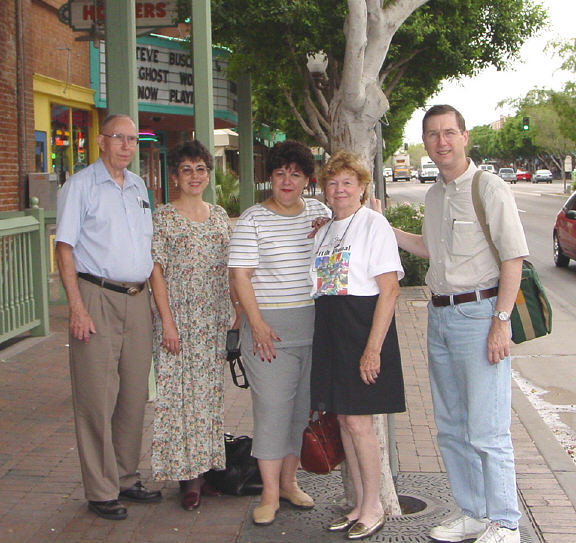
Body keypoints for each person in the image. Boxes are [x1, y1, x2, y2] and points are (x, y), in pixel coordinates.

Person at [393, 104, 528, 543]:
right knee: (451, 425)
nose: (441, 142)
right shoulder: (435, 194)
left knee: (488, 428)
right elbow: (430, 248)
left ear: (464, 137)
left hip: (480, 315)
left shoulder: (488, 188)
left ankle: (505, 521)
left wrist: (501, 321)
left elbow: (513, 257)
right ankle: (473, 512)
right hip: (440, 316)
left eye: (449, 132)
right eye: (432, 134)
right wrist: (381, 226)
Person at [55, 114, 161, 521]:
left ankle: (125, 475)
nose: (127, 146)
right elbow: (64, 248)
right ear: (102, 141)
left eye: (133, 140)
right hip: (95, 297)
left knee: (134, 394)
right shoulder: (80, 186)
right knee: (96, 397)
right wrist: (76, 307)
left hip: (137, 299)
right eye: (119, 138)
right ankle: (100, 490)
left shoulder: (137, 187)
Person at [228, 140, 331, 526]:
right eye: (280, 172)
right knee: (271, 411)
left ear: (307, 179)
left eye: (296, 173)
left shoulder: (320, 212)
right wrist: (256, 325)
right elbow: (240, 276)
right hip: (268, 330)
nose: (287, 180)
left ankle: (289, 483)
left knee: (300, 413)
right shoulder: (253, 219)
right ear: (269, 176)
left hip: (314, 326)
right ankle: (268, 494)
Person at [310, 151, 406, 541]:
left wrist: (373, 349)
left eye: (348, 182)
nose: (340, 190)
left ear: (363, 188)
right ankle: (359, 504)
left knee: (360, 424)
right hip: (330, 329)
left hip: (362, 328)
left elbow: (390, 289)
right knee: (344, 421)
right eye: (332, 183)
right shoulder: (323, 230)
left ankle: (374, 506)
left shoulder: (374, 224)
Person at [149, 140, 239, 510]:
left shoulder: (219, 215)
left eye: (201, 168)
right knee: (178, 397)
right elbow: (155, 270)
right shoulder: (163, 217)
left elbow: (232, 268)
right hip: (178, 320)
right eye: (187, 170)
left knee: (207, 398)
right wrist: (167, 322)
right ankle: (186, 477)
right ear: (175, 176)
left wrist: (236, 311)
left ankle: (205, 469)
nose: (195, 176)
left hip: (212, 319)